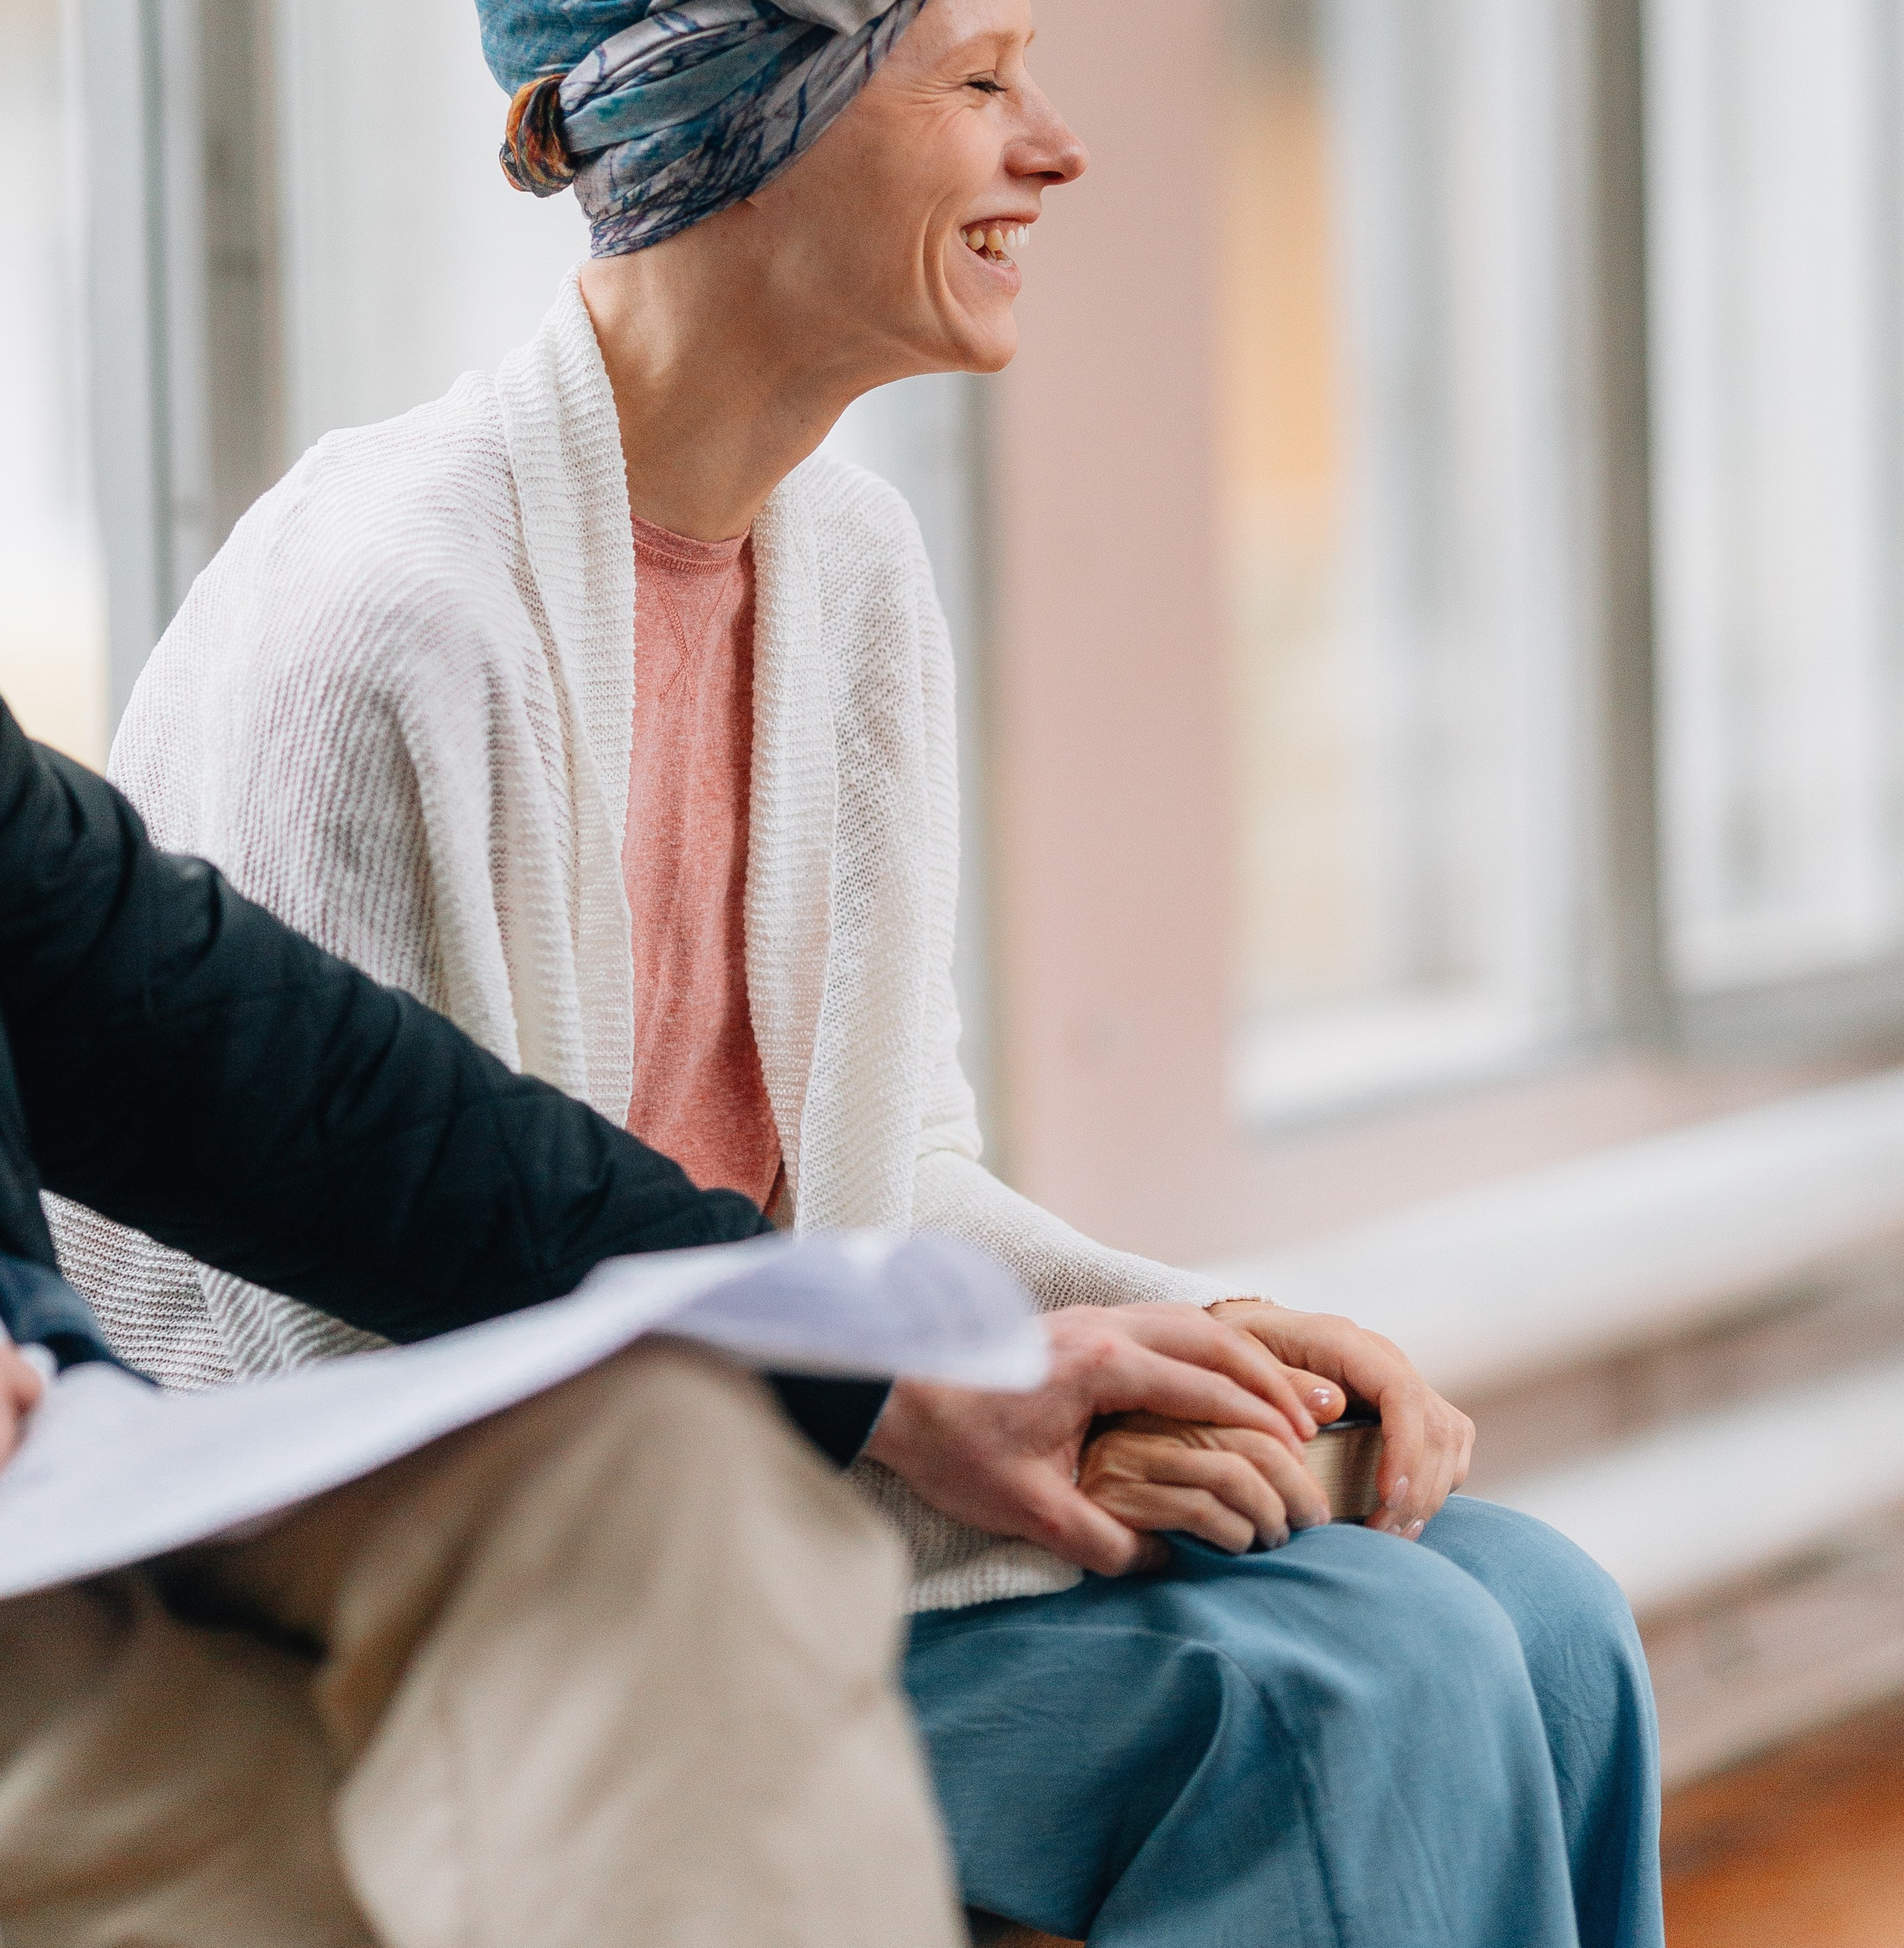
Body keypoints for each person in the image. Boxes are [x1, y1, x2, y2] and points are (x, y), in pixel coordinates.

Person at [82, 0, 1665, 1947]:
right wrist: (982, 1444)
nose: (1061, 146)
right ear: (757, 113)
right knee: (1347, 1689)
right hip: (465, 1627)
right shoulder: (390, 618)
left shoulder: (846, 566)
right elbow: (331, 1391)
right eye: (981, 79)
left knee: (1542, 1613)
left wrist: (1202, 1339)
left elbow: (880, 1180)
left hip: (795, 1473)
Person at [0, 691, 1306, 1948]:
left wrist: (890, 1380)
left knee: (657, 1453)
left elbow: (260, 1064)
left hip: (72, 1467)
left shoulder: (856, 584)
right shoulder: (401, 606)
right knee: (263, 1841)